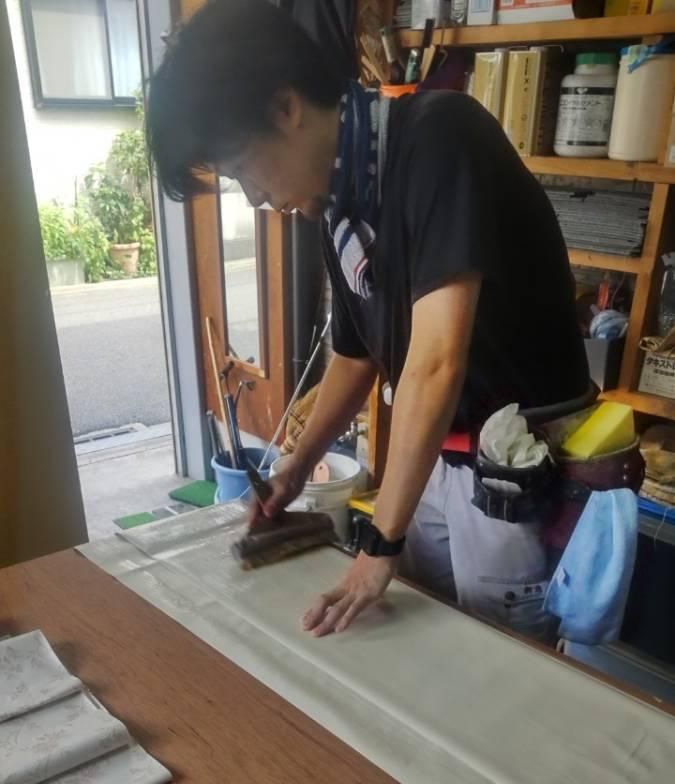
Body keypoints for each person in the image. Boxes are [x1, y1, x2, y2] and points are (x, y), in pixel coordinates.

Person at [147, 0, 592, 640]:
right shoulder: (343, 204)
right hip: (441, 456)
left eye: (242, 167)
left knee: (495, 667)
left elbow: (435, 362)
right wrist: (295, 468)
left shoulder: (441, 139)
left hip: (518, 467)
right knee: (409, 638)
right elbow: (356, 357)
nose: (256, 197)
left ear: (286, 108)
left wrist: (380, 544)